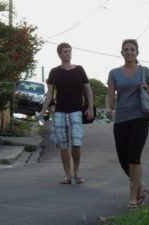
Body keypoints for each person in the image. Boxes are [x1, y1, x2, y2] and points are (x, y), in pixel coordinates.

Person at [105, 39, 149, 208]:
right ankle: (140, 185)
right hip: (121, 119)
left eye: (132, 49)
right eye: (126, 49)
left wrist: (147, 89)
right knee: (123, 160)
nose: (129, 52)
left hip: (139, 117)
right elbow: (110, 94)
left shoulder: (145, 71)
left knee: (134, 158)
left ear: (137, 53)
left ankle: (133, 197)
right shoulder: (114, 73)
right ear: (122, 53)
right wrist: (108, 107)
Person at [40, 42, 94, 184]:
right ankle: (67, 175)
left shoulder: (79, 70)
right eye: (65, 51)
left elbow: (88, 89)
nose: (68, 54)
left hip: (76, 110)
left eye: (69, 51)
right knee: (63, 145)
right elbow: (50, 93)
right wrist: (43, 110)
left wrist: (90, 107)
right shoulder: (54, 72)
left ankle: (77, 172)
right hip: (60, 112)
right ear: (59, 54)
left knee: (76, 143)